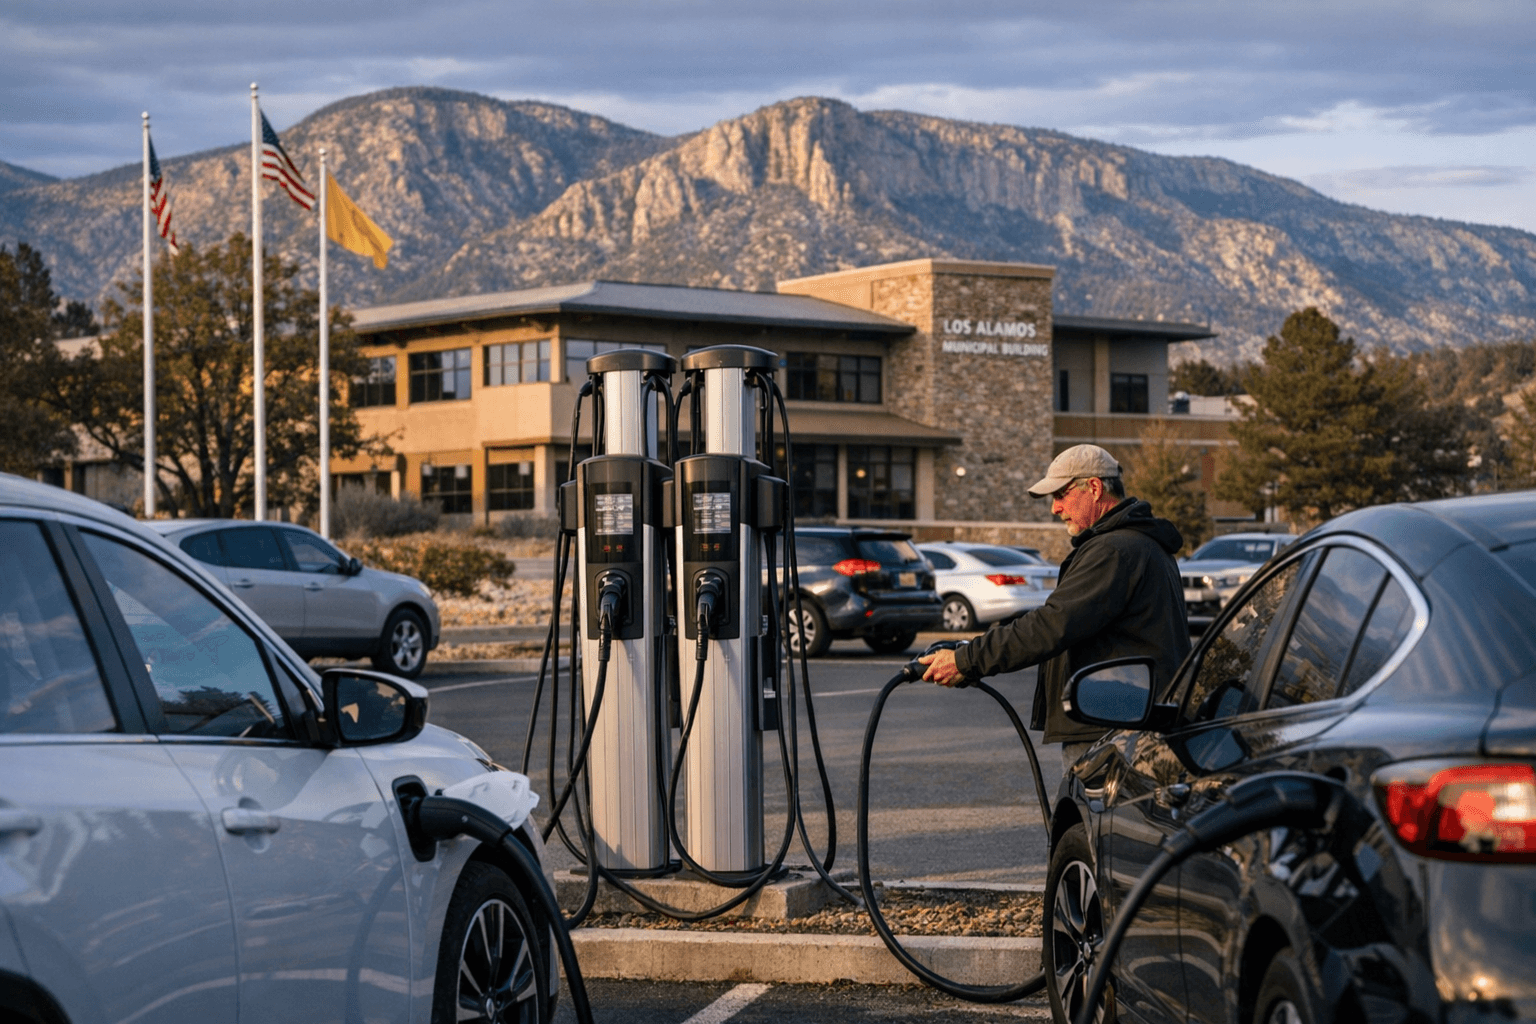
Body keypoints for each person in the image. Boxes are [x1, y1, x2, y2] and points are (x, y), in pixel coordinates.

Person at [920, 444, 1190, 769]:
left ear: (1094, 487)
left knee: (1092, 821)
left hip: (1113, 728)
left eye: (1060, 494)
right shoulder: (1138, 544)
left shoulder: (1115, 550)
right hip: (1127, 718)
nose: (1055, 508)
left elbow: (1052, 625)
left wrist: (967, 660)